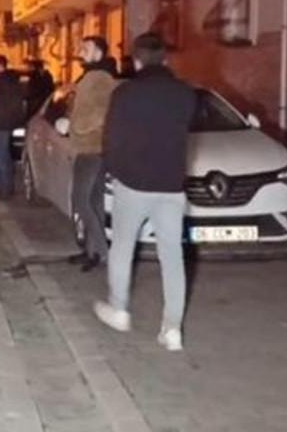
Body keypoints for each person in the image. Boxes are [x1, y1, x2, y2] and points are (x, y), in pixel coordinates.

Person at [94, 33, 197, 352]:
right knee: (172, 256)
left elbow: (111, 137)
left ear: (137, 61)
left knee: (123, 245)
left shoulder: (125, 93)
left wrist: (113, 170)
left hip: (133, 183)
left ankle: (119, 308)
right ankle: (172, 329)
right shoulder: (184, 93)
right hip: (171, 185)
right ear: (165, 59)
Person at [64, 37, 118, 272]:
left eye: (86, 48)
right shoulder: (92, 75)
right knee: (94, 201)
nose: (81, 51)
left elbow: (101, 113)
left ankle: (102, 252)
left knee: (80, 199)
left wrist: (76, 126)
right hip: (93, 147)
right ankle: (92, 251)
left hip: (91, 148)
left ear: (99, 53)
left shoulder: (100, 78)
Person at [0, 55, 26, 200]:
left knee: (0, 157)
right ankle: (7, 187)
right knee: (5, 156)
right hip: (7, 123)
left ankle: (4, 190)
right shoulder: (11, 80)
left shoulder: (1, 82)